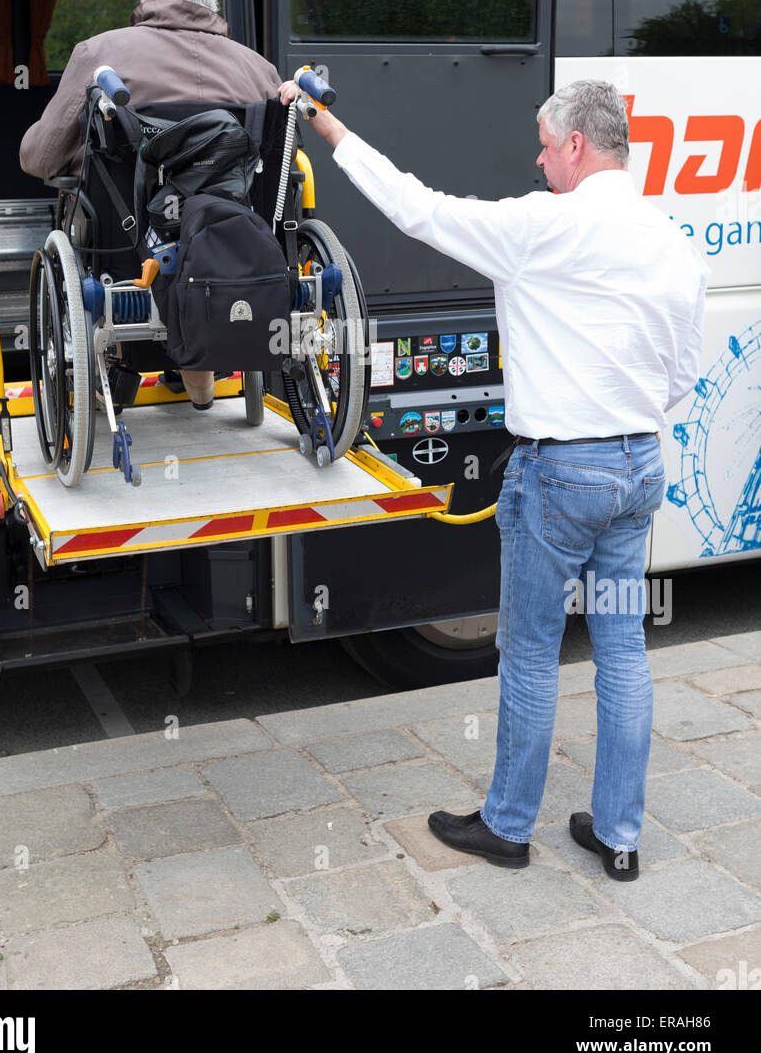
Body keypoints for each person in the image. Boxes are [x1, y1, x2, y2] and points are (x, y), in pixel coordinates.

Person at [278, 76, 709, 881]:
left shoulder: (542, 226)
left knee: (532, 650)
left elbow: (415, 207)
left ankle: (508, 826)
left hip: (559, 482)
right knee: (620, 646)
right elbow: (682, 369)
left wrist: (326, 126)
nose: (539, 160)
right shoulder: (668, 237)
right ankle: (618, 836)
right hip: (635, 472)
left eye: (546, 146)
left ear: (575, 145)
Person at [20, 0, 283, 408]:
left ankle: (116, 368)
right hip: (232, 251)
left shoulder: (100, 55)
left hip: (127, 256)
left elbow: (40, 159)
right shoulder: (259, 70)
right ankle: (200, 376)